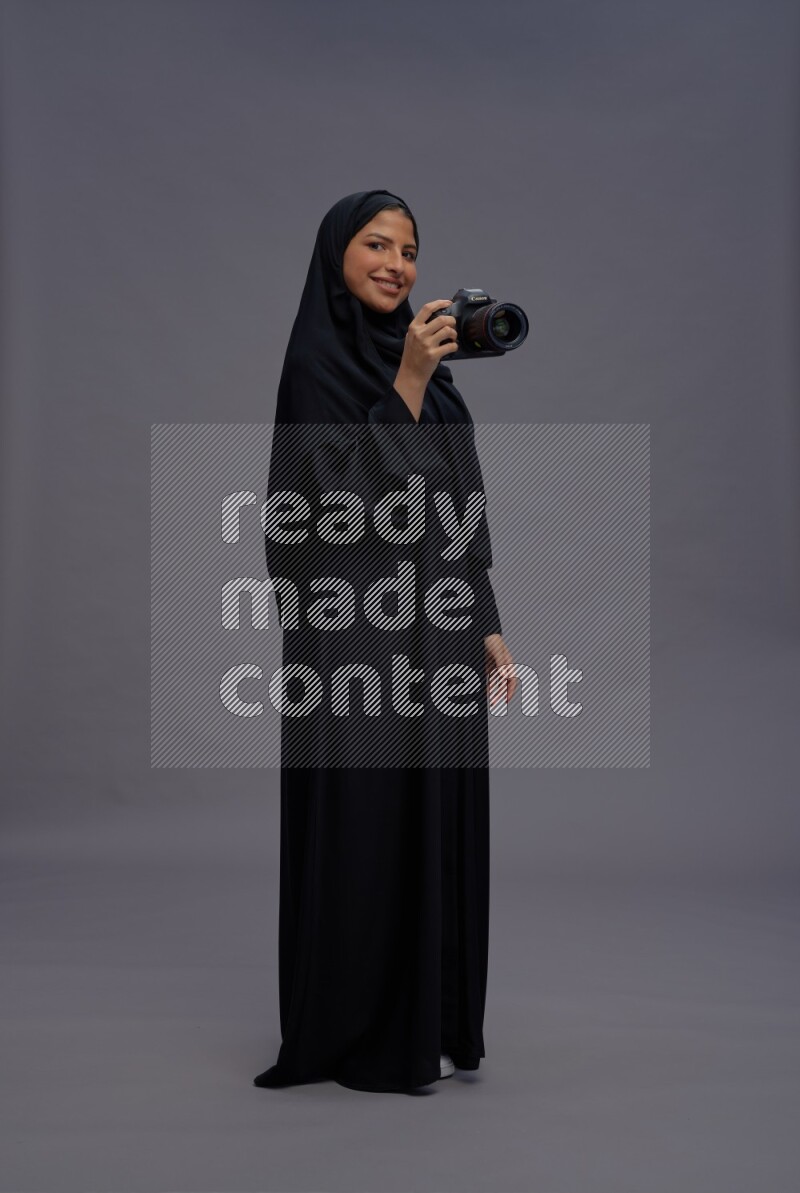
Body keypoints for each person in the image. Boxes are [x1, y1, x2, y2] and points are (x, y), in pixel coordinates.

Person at [254, 189, 517, 1094]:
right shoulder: (315, 365)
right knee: (367, 826)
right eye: (376, 243)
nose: (397, 264)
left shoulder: (434, 377)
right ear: (336, 254)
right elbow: (316, 512)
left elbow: (454, 505)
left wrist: (485, 620)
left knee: (433, 814)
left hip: (436, 633)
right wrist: (402, 382)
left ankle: (433, 1020)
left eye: (409, 250)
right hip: (356, 640)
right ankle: (356, 1028)